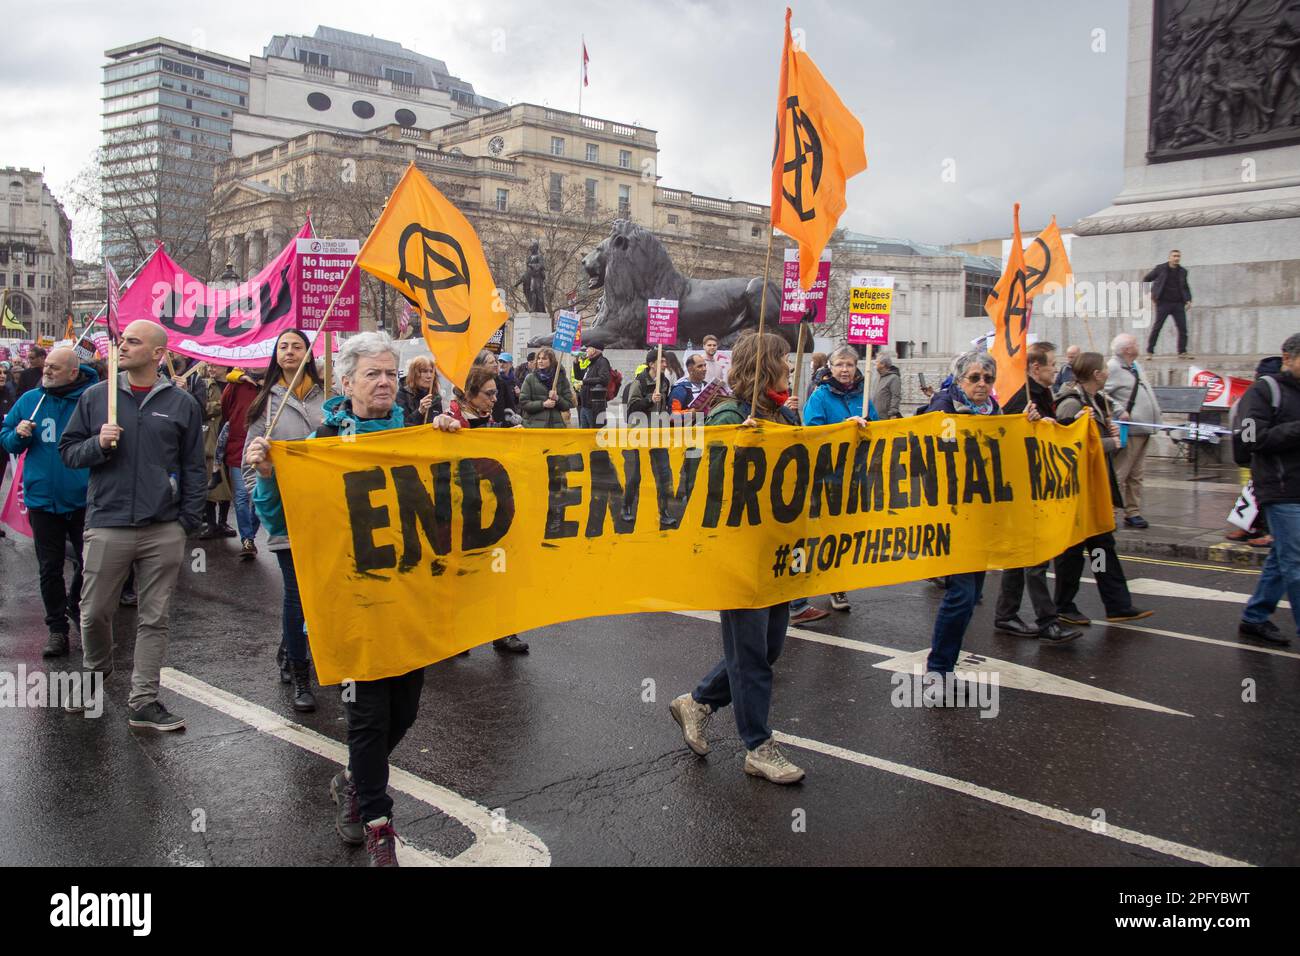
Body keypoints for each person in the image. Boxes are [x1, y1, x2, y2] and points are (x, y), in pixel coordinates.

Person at [247, 331, 459, 866]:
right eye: (373, 373)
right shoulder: (320, 441)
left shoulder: (419, 433)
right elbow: (279, 519)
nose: (385, 381)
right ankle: (377, 821)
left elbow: (450, 508)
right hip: (351, 599)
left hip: (408, 599)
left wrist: (453, 443)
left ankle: (352, 781)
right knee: (367, 717)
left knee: (405, 711)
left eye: (391, 372)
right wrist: (270, 478)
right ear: (346, 383)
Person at [670, 331, 836, 785]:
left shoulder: (783, 412)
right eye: (783, 360)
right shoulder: (728, 412)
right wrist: (735, 450)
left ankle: (699, 702)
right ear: (765, 367)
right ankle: (758, 746)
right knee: (751, 654)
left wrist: (847, 439)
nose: (790, 367)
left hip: (777, 551)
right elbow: (700, 475)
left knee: (768, 648)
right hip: (740, 553)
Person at [59, 320, 206, 729]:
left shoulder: (181, 404)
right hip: (108, 521)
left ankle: (144, 700)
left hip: (163, 526)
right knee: (93, 612)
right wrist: (97, 444)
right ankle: (97, 669)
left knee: (154, 617)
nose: (122, 346)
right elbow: (68, 452)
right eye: (123, 340)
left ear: (159, 354)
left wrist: (186, 522)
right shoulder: (95, 397)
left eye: (134, 342)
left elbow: (194, 466)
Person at [922, 350, 1041, 677]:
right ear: (960, 379)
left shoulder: (994, 410)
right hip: (953, 514)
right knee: (960, 595)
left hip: (983, 516)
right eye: (974, 378)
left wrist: (1025, 425)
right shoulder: (944, 405)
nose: (982, 384)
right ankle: (939, 671)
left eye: (988, 378)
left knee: (971, 595)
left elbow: (1008, 450)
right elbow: (932, 451)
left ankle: (946, 665)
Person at [242, 329, 327, 711]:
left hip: (329, 512)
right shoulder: (265, 404)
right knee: (297, 595)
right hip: (287, 512)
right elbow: (250, 462)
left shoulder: (330, 398)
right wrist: (260, 488)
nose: (289, 352)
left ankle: (290, 647)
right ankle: (300, 673)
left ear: (309, 353)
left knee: (321, 593)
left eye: (297, 346)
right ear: (275, 356)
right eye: (283, 347)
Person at [1, 347, 98, 656]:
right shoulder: (31, 400)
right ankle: (57, 629)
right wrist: (17, 435)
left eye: (55, 368)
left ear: (73, 371)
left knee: (91, 563)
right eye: (47, 367)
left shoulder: (91, 401)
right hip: (43, 500)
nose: (47, 371)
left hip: (83, 499)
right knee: (49, 567)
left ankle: (74, 601)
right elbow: (6, 436)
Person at [1052, 352, 1153, 627]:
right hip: (1076, 490)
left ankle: (1117, 603)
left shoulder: (1095, 400)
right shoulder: (1071, 403)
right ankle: (1063, 604)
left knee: (1102, 546)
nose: (1108, 373)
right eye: (1104, 370)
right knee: (1071, 552)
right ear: (1096, 374)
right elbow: (1066, 444)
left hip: (1095, 486)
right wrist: (1111, 442)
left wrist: (1109, 428)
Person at [993, 342, 1083, 645]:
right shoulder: (1023, 398)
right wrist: (1027, 423)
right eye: (1052, 364)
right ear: (1035, 367)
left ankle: (1006, 615)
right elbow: (1005, 439)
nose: (1056, 370)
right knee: (1035, 557)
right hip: (1023, 489)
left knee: (1022, 555)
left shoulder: (1042, 394)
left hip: (1037, 486)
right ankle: (1047, 621)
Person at [447, 364, 531, 654]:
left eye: (496, 393)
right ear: (470, 394)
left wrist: (516, 440)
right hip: (464, 513)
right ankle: (458, 635)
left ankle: (504, 632)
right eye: (489, 394)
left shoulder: (495, 422)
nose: (495, 399)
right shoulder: (449, 421)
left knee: (503, 573)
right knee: (465, 576)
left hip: (498, 511)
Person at [799, 344, 879, 615]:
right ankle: (835, 583)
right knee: (830, 530)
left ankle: (835, 574)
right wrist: (846, 426)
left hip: (856, 475)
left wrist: (868, 425)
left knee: (851, 530)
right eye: (840, 365)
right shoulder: (820, 396)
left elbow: (878, 428)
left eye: (850, 365)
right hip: (829, 476)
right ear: (830, 368)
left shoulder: (864, 396)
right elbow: (812, 431)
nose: (845, 370)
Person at [1236, 333, 1300, 647]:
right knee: (1296, 562)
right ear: (1287, 358)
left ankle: (1255, 616)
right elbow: (1251, 437)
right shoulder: (1264, 391)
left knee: (1282, 556)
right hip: (1281, 488)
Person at [1105, 333, 1163, 530]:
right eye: (1135, 343)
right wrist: (1119, 410)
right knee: (1120, 473)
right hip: (1128, 430)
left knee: (1136, 474)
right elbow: (1101, 393)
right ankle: (1109, 512)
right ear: (1127, 349)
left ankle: (1133, 511)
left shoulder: (1135, 366)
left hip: (1143, 428)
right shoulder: (1112, 367)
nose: (1138, 346)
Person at [221, 366, 262, 559]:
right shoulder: (236, 384)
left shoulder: (273, 384)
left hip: (262, 448)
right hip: (238, 447)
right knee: (241, 495)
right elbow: (226, 409)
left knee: (259, 497)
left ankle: (251, 534)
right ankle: (247, 539)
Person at [193, 364, 235, 539]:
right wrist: (220, 405)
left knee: (228, 483)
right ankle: (211, 524)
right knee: (211, 483)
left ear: (225, 368)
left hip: (231, 438)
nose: (211, 368)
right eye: (209, 365)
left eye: (215, 366)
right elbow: (199, 409)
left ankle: (223, 522)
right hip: (211, 438)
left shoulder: (235, 385)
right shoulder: (203, 384)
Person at [1143, 249, 1193, 358]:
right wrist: (1148, 294)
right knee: (1157, 327)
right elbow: (1146, 279)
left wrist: (1188, 300)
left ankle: (1182, 352)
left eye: (1178, 256)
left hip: (1178, 304)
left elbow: (1185, 287)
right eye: (1174, 256)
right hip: (1163, 303)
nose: (1176, 258)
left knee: (1182, 328)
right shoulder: (1160, 268)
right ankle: (1150, 352)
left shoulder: (1183, 271)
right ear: (1169, 257)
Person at [519, 347, 574, 429]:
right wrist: (543, 404)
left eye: (544, 359)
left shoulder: (561, 378)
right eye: (539, 358)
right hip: (533, 426)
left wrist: (557, 398)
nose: (540, 361)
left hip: (555, 426)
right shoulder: (530, 378)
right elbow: (524, 403)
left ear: (551, 361)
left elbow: (568, 404)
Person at [626, 349, 673, 421]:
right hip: (643, 428)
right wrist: (650, 400)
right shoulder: (639, 382)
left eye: (665, 362)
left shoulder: (665, 382)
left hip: (659, 427)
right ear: (651, 364)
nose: (665, 365)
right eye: (661, 362)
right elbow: (632, 409)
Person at [396, 354, 442, 426]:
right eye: (424, 371)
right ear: (414, 374)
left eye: (431, 371)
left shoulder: (435, 397)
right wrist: (419, 412)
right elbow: (402, 426)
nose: (429, 376)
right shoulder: (402, 396)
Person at [577, 343, 611, 428]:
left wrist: (584, 382)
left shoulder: (602, 361)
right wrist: (575, 363)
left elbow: (604, 379)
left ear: (594, 350)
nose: (586, 350)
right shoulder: (591, 363)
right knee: (584, 434)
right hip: (584, 405)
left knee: (593, 433)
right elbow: (580, 376)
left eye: (588, 348)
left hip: (594, 407)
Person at [669, 353, 709, 418]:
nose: (704, 369)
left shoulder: (707, 386)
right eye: (700, 366)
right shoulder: (680, 389)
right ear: (690, 369)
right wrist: (690, 413)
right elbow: (672, 416)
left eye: (705, 365)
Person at [873, 349, 902, 419]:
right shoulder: (877, 377)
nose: (874, 363)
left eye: (877, 361)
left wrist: (893, 413)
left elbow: (896, 397)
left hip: (885, 417)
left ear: (883, 364)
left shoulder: (894, 378)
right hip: (874, 416)